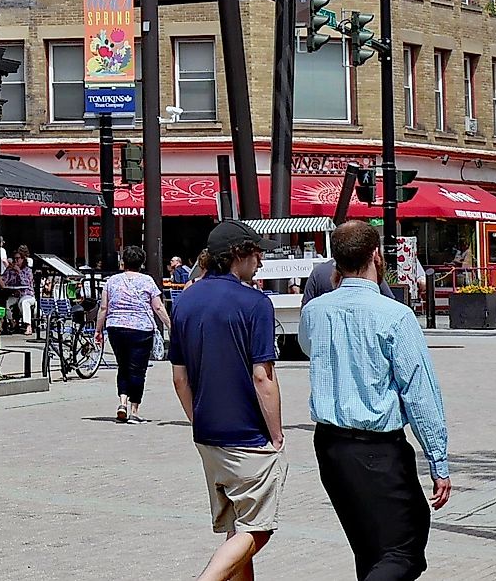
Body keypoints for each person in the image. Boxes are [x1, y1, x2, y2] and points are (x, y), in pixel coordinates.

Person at [304, 220, 451, 581]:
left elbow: (311, 350)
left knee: (369, 546)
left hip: (330, 445)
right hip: (377, 447)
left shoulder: (315, 311)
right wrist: (438, 457)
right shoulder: (395, 315)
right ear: (376, 256)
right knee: (404, 549)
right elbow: (418, 391)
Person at [169, 221, 285, 581]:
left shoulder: (185, 301)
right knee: (259, 528)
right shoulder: (256, 303)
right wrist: (277, 434)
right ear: (238, 255)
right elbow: (262, 376)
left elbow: (179, 377)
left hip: (207, 433)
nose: (261, 261)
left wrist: (197, 418)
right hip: (248, 434)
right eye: (256, 253)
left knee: (238, 528)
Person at [102, 244, 173, 424]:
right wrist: (171, 325)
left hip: (115, 327)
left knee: (123, 366)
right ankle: (134, 410)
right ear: (141, 263)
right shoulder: (147, 281)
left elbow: (104, 307)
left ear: (123, 262)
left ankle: (122, 403)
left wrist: (97, 330)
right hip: (141, 329)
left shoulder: (111, 281)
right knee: (138, 369)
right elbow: (157, 306)